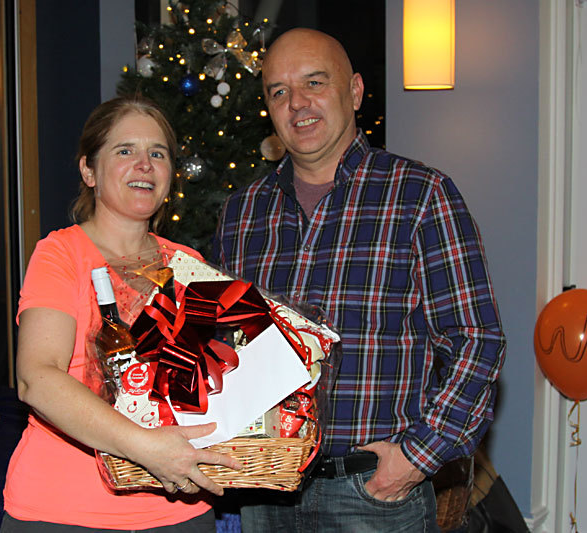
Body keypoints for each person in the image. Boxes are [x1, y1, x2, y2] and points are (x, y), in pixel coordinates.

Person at [212, 28, 507, 532]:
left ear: (354, 91)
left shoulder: (420, 195)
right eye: (279, 91)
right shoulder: (243, 212)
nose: (296, 103)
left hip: (372, 495)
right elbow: (220, 341)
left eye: (314, 83)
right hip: (266, 490)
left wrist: (415, 458)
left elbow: (477, 340)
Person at [1, 95, 241, 532]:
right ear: (89, 171)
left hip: (180, 508)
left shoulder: (187, 264)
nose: (144, 164)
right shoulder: (61, 254)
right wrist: (145, 447)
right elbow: (36, 378)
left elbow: (210, 382)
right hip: (65, 512)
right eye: (125, 150)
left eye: (158, 154)